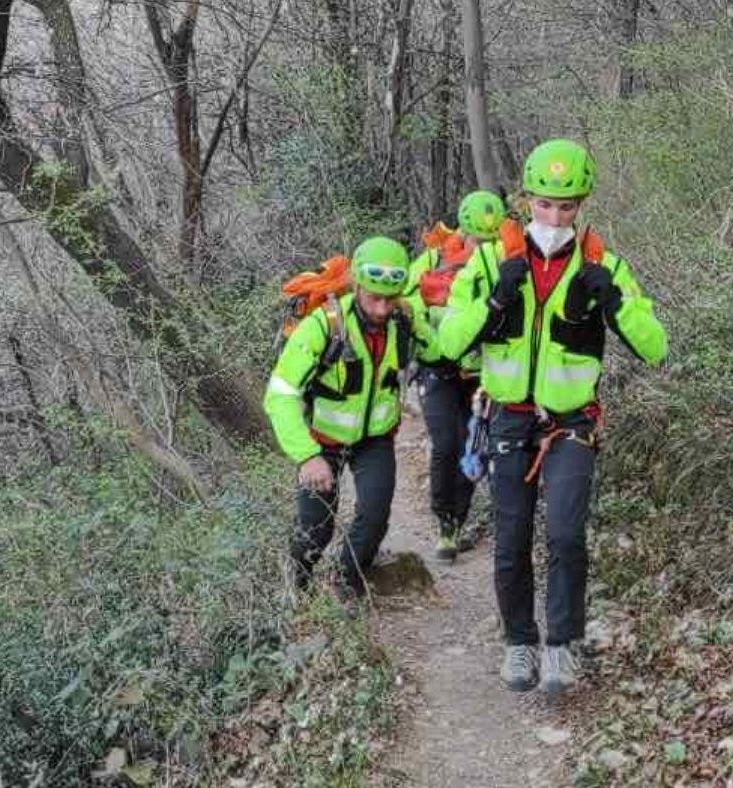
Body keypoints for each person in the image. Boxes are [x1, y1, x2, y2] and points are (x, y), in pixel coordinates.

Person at [440, 139, 668, 693]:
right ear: (526, 201)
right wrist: (495, 300)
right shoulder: (492, 260)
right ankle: (519, 642)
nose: (554, 216)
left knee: (566, 534)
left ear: (582, 204)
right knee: (512, 537)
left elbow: (656, 346)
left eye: (566, 206)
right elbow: (448, 342)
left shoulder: (603, 265)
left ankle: (562, 644)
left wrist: (614, 301)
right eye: (544, 204)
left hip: (571, 423)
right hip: (508, 419)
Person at [264, 236, 424, 602]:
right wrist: (307, 455)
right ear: (358, 285)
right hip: (322, 440)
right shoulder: (322, 326)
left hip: (375, 439)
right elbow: (281, 394)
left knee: (374, 516)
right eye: (374, 297)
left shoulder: (403, 318)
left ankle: (343, 583)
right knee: (313, 530)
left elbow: (442, 345)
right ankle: (298, 593)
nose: (382, 308)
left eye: (391, 298)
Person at [403, 191, 506, 560]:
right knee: (447, 443)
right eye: (478, 239)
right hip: (438, 367)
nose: (483, 247)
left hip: (482, 371)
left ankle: (458, 522)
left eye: (491, 241)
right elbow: (407, 301)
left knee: (472, 446)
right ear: (463, 231)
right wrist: (434, 339)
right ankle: (445, 521)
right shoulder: (433, 260)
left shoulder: (504, 262)